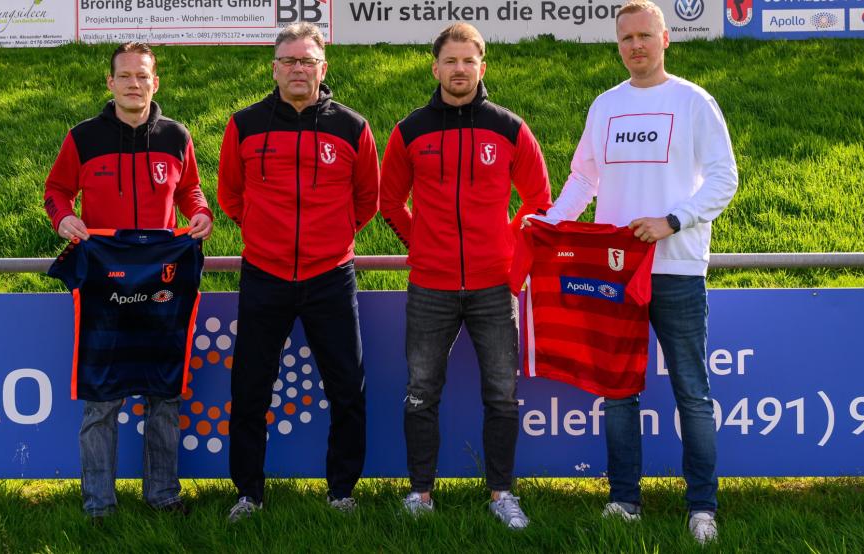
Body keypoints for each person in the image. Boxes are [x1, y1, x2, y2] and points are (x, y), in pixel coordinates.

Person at [541, 0, 738, 544]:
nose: (635, 47)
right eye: (625, 38)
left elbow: (725, 179)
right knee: (619, 391)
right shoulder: (606, 106)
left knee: (691, 392)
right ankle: (624, 500)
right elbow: (584, 178)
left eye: (644, 36)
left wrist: (674, 221)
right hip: (614, 271)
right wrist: (553, 223)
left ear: (666, 38)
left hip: (676, 268)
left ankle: (702, 507)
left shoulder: (694, 101)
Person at [380, 22, 552, 529]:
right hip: (430, 286)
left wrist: (507, 248)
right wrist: (422, 243)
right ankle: (420, 494)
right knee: (420, 391)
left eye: (468, 61)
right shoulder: (410, 130)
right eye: (450, 61)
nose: (459, 70)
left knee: (501, 394)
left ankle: (502, 495)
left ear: (482, 67)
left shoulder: (509, 127)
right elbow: (390, 201)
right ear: (435, 68)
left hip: (493, 288)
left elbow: (539, 202)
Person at [43, 41, 213, 520]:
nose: (134, 84)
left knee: (165, 394)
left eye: (143, 76)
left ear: (154, 82)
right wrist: (64, 220)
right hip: (106, 283)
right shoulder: (82, 137)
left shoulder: (177, 136)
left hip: (162, 282)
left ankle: (162, 495)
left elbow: (191, 191)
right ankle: (99, 505)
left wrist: (200, 214)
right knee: (101, 399)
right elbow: (56, 191)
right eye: (126, 76)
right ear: (110, 83)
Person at [217, 22, 379, 520]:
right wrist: (266, 232)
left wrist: (328, 239)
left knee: (347, 387)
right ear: (274, 68)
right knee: (249, 389)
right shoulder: (243, 124)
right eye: (289, 61)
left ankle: (341, 492)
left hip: (331, 276)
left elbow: (366, 200)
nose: (298, 69)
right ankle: (248, 494)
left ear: (322, 68)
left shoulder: (352, 127)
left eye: (307, 61)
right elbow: (231, 195)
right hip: (265, 275)